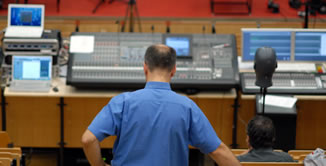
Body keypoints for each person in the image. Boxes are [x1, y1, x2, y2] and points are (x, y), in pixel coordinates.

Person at [81, 44, 240, 166]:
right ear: (173, 70)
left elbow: (88, 139)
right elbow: (218, 150)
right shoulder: (187, 107)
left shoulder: (122, 102)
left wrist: (100, 164)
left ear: (145, 67)